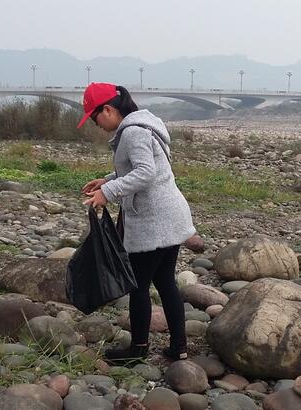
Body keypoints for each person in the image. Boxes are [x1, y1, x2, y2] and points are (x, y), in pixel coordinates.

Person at [78, 82, 196, 364]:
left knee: (138, 285)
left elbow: (145, 172)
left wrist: (108, 192)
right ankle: (179, 347)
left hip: (154, 221)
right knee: (165, 281)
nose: (97, 125)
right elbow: (143, 167)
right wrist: (108, 179)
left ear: (108, 109)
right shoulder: (146, 124)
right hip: (171, 216)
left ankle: (138, 349)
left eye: (95, 118)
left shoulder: (132, 132)